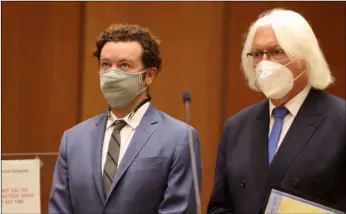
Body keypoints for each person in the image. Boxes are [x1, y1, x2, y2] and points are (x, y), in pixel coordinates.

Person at [49, 24, 202, 214]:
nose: (112, 74)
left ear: (149, 75)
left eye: (124, 65)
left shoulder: (179, 138)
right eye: (106, 64)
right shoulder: (73, 139)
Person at [208, 8, 345, 214]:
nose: (264, 63)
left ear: (305, 56)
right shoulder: (236, 127)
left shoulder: (340, 121)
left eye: (276, 52)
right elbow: (220, 206)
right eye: (257, 54)